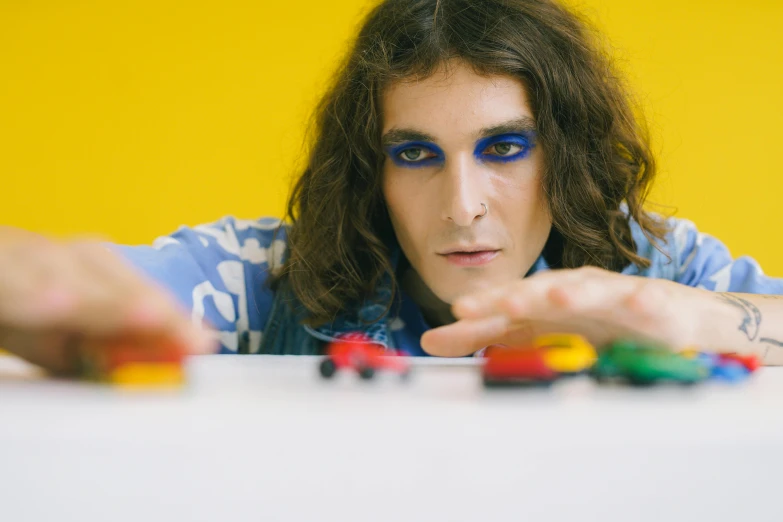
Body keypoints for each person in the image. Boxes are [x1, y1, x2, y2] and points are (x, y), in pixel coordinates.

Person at [1, 0, 782, 375]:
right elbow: (63, 285)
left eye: (505, 147)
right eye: (414, 155)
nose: (462, 205)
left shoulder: (643, 267)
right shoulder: (266, 278)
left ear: (567, 160)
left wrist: (698, 314)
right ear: (367, 170)